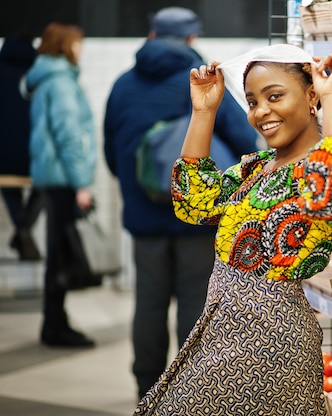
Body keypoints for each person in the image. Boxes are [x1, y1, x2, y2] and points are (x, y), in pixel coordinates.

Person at [134, 44, 332, 415]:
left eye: (275, 96)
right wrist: (204, 110)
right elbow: (195, 201)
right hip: (224, 329)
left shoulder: (317, 171)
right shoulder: (259, 167)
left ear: (310, 94)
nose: (261, 111)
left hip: (269, 340)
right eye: (252, 101)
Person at [103, 7, 259, 399]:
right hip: (196, 220)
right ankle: (187, 391)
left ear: (152, 35)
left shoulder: (123, 85)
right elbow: (244, 143)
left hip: (143, 216)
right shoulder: (204, 85)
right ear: (191, 39)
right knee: (194, 303)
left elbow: (110, 153)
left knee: (149, 303)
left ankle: (146, 388)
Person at [25, 22, 97, 347]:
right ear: (65, 46)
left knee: (58, 251)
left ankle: (54, 321)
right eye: (77, 44)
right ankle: (55, 325)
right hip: (65, 178)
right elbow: (70, 136)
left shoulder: (45, 80)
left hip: (51, 176)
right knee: (60, 254)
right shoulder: (61, 83)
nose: (81, 50)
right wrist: (81, 183)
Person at [0, 33, 44, 261]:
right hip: (33, 148)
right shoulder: (37, 73)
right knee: (44, 186)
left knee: (8, 187)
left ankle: (22, 231)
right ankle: (24, 231)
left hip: (3, 148)